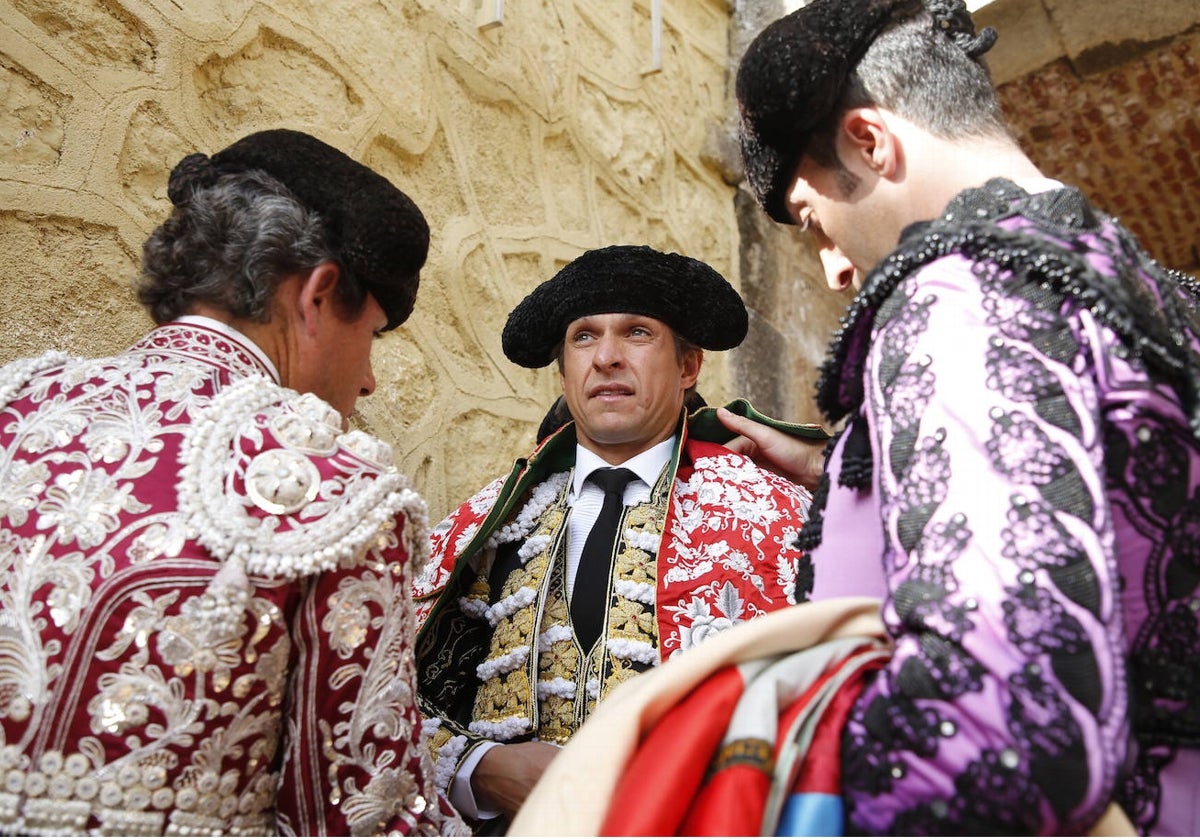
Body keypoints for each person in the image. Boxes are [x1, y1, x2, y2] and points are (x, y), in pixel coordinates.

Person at [717, 0, 1200, 834]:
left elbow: (1003, 727)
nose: (833, 267)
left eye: (811, 220)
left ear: (870, 141)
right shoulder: (1155, 297)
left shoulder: (962, 294)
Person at [0, 129, 466, 836]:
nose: (368, 378)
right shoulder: (340, 488)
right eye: (371, 335)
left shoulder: (16, 404)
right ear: (317, 294)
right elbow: (356, 817)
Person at [411, 244, 821, 832]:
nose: (605, 357)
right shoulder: (485, 524)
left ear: (688, 367)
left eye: (636, 333)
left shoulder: (770, 510)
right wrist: (479, 765)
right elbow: (381, 698)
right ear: (564, 370)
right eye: (583, 337)